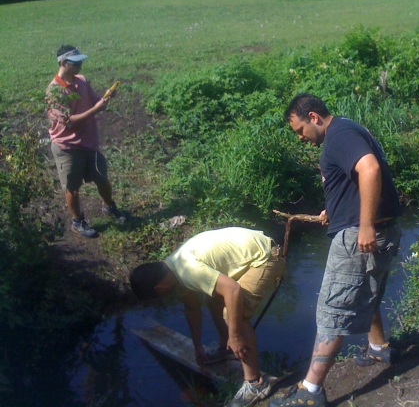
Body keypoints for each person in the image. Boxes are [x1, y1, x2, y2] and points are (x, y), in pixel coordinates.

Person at [270, 94, 402, 407]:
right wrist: (335, 207)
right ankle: (379, 347)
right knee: (365, 293)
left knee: (332, 311)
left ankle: (311, 392)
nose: (301, 138)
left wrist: (365, 225)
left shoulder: (338, 136)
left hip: (363, 234)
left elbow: (369, 170)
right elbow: (353, 179)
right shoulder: (347, 128)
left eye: (300, 130)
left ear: (313, 117)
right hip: (382, 229)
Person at [129, 227, 286, 407]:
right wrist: (197, 346)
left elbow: (232, 290)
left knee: (234, 314)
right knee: (212, 300)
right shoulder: (174, 266)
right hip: (256, 249)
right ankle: (225, 348)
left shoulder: (188, 271)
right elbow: (192, 309)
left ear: (159, 289)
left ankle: (255, 383)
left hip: (266, 257)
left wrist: (234, 336)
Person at [45, 45, 126, 238]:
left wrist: (106, 98)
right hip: (68, 148)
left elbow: (96, 102)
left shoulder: (82, 81)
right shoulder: (54, 92)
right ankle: (77, 221)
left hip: (89, 144)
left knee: (102, 178)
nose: (81, 65)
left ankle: (109, 206)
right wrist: (96, 109)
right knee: (72, 187)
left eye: (81, 61)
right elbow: (70, 123)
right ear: (63, 63)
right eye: (76, 62)